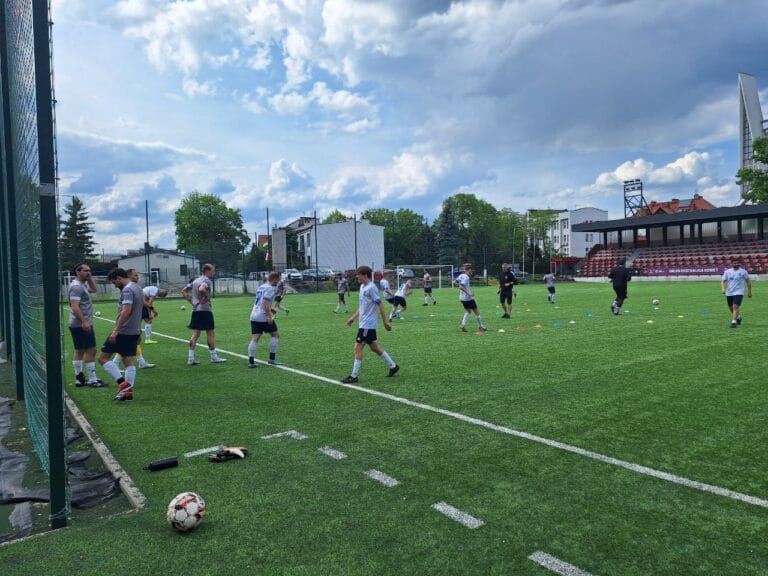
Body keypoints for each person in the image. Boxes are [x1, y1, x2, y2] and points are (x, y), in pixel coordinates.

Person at [341, 265, 399, 383]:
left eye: (358, 274)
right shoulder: (362, 287)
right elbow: (362, 306)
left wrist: (385, 322)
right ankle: (393, 366)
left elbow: (381, 305)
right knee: (374, 347)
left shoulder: (371, 288)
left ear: (365, 275)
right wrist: (353, 318)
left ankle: (354, 376)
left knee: (357, 347)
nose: (356, 276)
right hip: (364, 324)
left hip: (367, 325)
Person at [97, 268, 144, 401]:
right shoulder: (137, 288)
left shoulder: (127, 289)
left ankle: (123, 385)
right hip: (134, 330)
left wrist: (116, 330)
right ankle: (128, 393)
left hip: (123, 331)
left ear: (119, 278)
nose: (115, 285)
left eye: (114, 282)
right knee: (128, 360)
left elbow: (126, 310)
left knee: (102, 358)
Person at [67, 263, 104, 387]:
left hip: (80, 323)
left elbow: (94, 289)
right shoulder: (76, 286)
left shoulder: (81, 285)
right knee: (91, 350)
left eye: (90, 270)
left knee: (80, 350)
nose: (88, 272)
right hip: (81, 324)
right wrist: (84, 322)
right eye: (85, 271)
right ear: (78, 272)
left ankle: (80, 379)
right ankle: (92, 380)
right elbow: (75, 306)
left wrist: (89, 278)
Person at [181, 263, 227, 365]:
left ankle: (191, 358)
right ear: (207, 271)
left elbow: (184, 291)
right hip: (205, 310)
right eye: (213, 271)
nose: (214, 273)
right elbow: (202, 289)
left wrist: (192, 302)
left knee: (195, 334)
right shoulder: (206, 280)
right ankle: (214, 357)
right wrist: (206, 297)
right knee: (210, 333)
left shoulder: (195, 280)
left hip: (196, 310)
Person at [248, 272, 282, 367]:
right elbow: (265, 303)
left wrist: (271, 309)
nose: (278, 282)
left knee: (255, 338)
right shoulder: (270, 288)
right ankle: (272, 359)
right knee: (275, 335)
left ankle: (251, 362)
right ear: (274, 278)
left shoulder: (261, 286)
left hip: (254, 315)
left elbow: (262, 302)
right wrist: (269, 316)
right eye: (278, 279)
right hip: (263, 316)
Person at [454, 262, 487, 333]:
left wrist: (459, 284)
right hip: (468, 298)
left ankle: (463, 325)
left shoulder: (461, 275)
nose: (471, 272)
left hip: (462, 298)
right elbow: (461, 287)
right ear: (467, 270)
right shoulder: (466, 277)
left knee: (468, 311)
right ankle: (481, 326)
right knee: (476, 312)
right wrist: (469, 293)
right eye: (470, 271)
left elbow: (454, 282)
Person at [720, 257, 752, 328]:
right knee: (730, 307)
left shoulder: (743, 271)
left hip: (739, 291)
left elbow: (748, 282)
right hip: (729, 292)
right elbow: (723, 281)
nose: (736, 264)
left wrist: (749, 291)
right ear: (732, 264)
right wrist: (723, 288)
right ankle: (738, 317)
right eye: (734, 263)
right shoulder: (727, 272)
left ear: (739, 264)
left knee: (735, 306)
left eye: (737, 263)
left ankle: (734, 322)